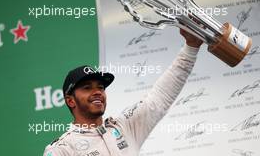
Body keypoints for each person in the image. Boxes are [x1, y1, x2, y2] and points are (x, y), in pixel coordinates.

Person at [43, 29, 203, 156]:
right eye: (87, 87)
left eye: (100, 87)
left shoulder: (124, 126)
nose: (97, 92)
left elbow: (160, 96)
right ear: (70, 101)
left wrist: (191, 46)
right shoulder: (61, 149)